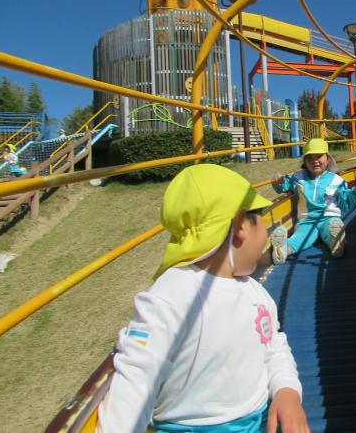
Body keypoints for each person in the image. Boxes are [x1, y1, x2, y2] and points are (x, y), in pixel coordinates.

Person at [97, 164, 309, 433]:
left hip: (259, 421)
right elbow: (135, 383)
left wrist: (287, 390)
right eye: (261, 220)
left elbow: (274, 347)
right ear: (240, 225)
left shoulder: (254, 292)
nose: (265, 233)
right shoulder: (171, 298)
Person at [269, 138, 356, 265]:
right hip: (307, 221)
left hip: (328, 218)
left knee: (330, 229)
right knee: (301, 238)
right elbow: (285, 186)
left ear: (328, 159)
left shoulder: (336, 180)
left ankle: (336, 243)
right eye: (309, 158)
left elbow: (346, 203)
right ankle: (283, 249)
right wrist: (279, 182)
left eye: (319, 156)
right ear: (305, 162)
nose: (315, 161)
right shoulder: (298, 177)